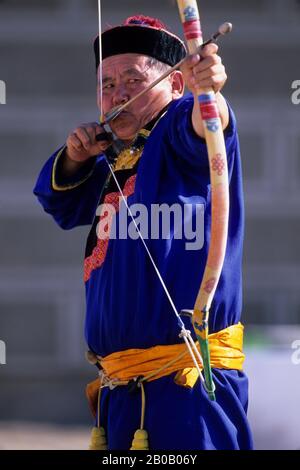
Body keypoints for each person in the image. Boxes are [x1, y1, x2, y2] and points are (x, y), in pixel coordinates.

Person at [34, 15, 253, 450]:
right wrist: (77, 157)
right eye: (107, 84)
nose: (118, 94)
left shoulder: (176, 128)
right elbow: (58, 202)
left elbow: (209, 124)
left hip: (186, 386)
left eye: (134, 79)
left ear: (173, 85)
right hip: (120, 392)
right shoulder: (108, 161)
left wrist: (207, 91)